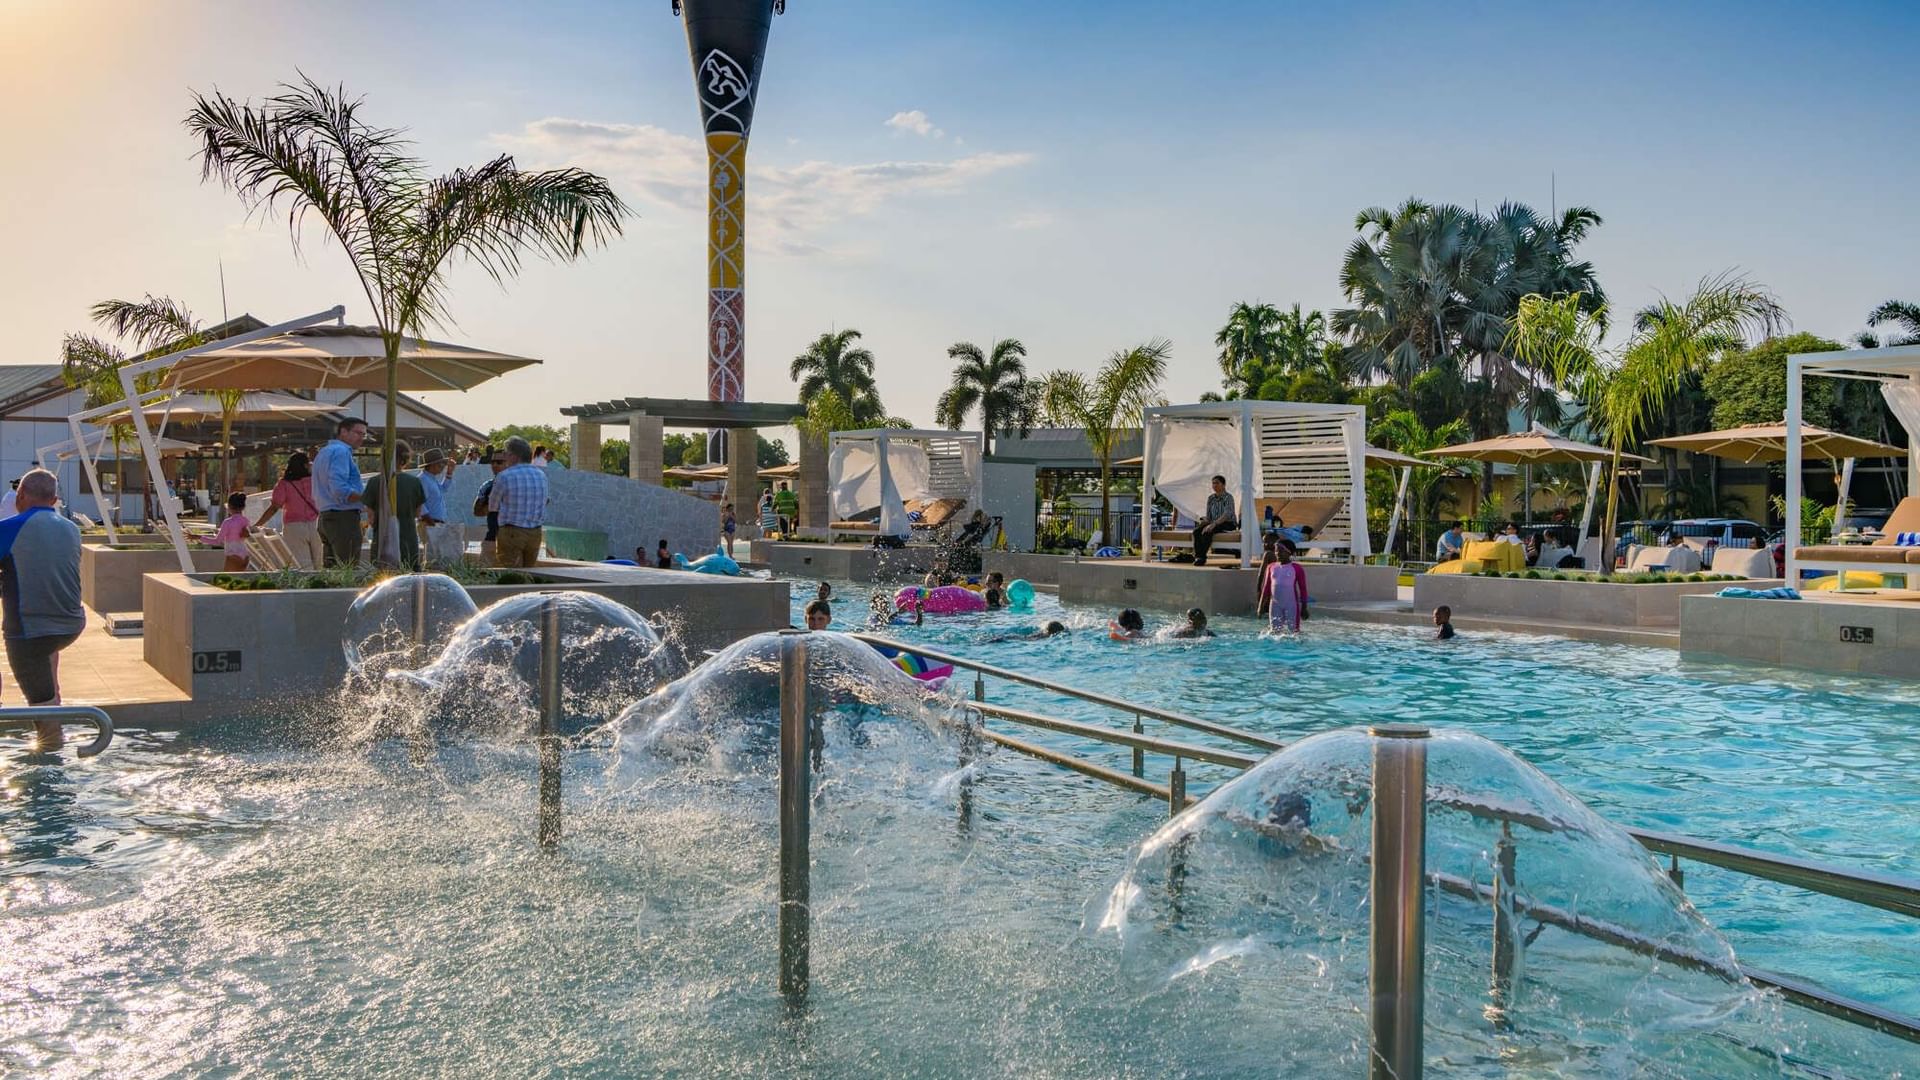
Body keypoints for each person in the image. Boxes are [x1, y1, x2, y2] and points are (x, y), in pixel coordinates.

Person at [0, 470, 85, 748]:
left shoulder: (8, 528)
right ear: (55, 500)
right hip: (71, 624)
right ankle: (53, 695)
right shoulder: (72, 529)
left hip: (29, 633)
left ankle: (52, 754)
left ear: (20, 496)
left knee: (42, 710)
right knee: (47, 659)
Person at [311, 416, 368, 566]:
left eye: (364, 434)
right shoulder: (341, 452)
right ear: (343, 431)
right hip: (343, 517)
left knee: (332, 571)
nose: (361, 438)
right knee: (348, 568)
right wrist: (366, 497)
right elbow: (339, 489)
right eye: (358, 433)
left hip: (326, 516)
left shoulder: (324, 452)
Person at [364, 440, 427, 570]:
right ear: (406, 459)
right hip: (408, 541)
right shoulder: (414, 482)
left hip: (382, 542)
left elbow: (371, 518)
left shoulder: (374, 482)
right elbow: (417, 513)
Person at [255, 452, 323, 569]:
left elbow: (274, 507)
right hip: (317, 524)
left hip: (294, 527)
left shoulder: (284, 484)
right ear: (306, 465)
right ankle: (322, 586)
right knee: (320, 562)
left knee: (303, 564)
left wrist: (257, 524)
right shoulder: (316, 481)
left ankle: (308, 586)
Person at [488, 437, 548, 568]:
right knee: (529, 571)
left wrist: (492, 535)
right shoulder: (541, 475)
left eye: (505, 453)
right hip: (535, 532)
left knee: (509, 574)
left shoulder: (505, 476)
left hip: (512, 531)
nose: (504, 457)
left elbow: (492, 507)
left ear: (513, 455)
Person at [416, 447, 461, 567]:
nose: (443, 466)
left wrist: (449, 473)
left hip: (435, 523)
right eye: (441, 463)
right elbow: (420, 503)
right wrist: (429, 521)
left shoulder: (431, 479)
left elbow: (443, 489)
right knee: (432, 557)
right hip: (430, 523)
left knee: (437, 557)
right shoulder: (423, 480)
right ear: (433, 465)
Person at [1192, 475, 1237, 567]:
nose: (1214, 485)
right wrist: (1204, 521)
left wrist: (1213, 524)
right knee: (1196, 531)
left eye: (1217, 483)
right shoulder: (1211, 498)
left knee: (1208, 531)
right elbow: (1209, 516)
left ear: (1223, 485)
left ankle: (1202, 558)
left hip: (1227, 523)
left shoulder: (1228, 497)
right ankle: (1197, 556)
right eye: (1213, 483)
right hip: (1213, 522)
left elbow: (1227, 514)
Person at [473, 446, 507, 562]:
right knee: (485, 569)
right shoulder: (488, 486)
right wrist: (490, 507)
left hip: (513, 537)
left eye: (499, 462)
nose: (495, 465)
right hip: (493, 536)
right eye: (492, 462)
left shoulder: (519, 484)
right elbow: (476, 511)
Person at [1266, 544, 1308, 633]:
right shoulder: (1271, 567)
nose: (1277, 553)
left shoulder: (1296, 568)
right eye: (1276, 551)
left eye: (1281, 551)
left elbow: (1303, 589)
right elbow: (1266, 587)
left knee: (1294, 632)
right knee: (1274, 631)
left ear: (1289, 553)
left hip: (1291, 605)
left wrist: (1304, 608)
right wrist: (1261, 606)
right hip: (1274, 605)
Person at [214, 492, 253, 571]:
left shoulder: (227, 522)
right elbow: (244, 534)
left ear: (229, 506)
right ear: (243, 507)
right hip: (245, 555)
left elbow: (217, 541)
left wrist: (198, 537)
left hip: (233, 555)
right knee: (239, 581)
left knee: (225, 580)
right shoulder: (245, 521)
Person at [1255, 536, 1280, 617]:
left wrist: (1258, 587)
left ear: (1273, 543)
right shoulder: (1280, 555)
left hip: (1269, 585)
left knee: (1265, 608)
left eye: (1266, 542)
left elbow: (1261, 572)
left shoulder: (1268, 554)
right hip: (1278, 585)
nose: (1264, 545)